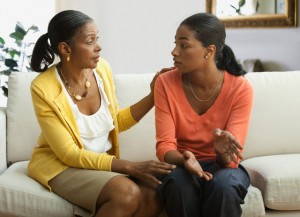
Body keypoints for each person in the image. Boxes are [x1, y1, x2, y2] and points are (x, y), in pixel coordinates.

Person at [28, 10, 175, 217]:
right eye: (90, 41)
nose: (98, 47)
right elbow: (68, 154)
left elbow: (115, 121)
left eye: (97, 38)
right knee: (127, 193)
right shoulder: (43, 87)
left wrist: (153, 96)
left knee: (154, 193)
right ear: (65, 48)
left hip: (96, 163)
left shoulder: (102, 69)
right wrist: (128, 167)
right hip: (61, 166)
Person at [154, 13, 254, 217]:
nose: (174, 52)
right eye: (175, 44)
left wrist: (221, 153)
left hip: (224, 167)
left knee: (224, 186)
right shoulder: (165, 82)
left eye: (184, 45)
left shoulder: (240, 88)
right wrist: (186, 159)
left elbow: (232, 160)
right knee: (179, 184)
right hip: (180, 163)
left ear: (209, 51)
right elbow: (164, 146)